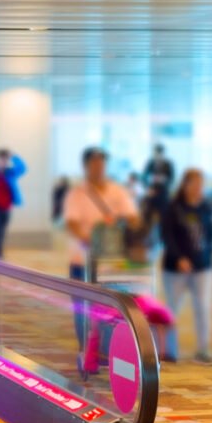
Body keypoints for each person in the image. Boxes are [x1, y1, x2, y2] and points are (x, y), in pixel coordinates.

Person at [63, 148, 139, 350]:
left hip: (112, 262)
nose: (98, 168)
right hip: (83, 261)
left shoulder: (118, 191)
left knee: (112, 308)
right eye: (94, 164)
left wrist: (122, 223)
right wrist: (90, 239)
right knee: (82, 308)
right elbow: (72, 223)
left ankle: (108, 350)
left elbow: (132, 218)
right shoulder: (77, 194)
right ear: (85, 166)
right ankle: (85, 349)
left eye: (101, 164)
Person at [162, 169, 212, 365]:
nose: (197, 188)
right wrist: (179, 257)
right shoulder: (173, 208)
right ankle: (169, 350)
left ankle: (203, 350)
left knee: (203, 307)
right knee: (173, 308)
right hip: (176, 268)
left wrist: (208, 257)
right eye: (194, 184)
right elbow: (167, 236)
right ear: (184, 185)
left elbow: (211, 234)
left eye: (200, 185)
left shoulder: (206, 207)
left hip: (202, 267)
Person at [143, 144, 175, 227]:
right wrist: (149, 183)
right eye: (156, 154)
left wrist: (163, 180)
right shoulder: (150, 163)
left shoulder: (168, 164)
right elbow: (144, 177)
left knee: (164, 215)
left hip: (163, 192)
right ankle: (146, 231)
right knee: (147, 214)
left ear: (163, 154)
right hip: (152, 191)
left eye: (159, 154)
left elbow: (172, 178)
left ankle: (164, 231)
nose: (157, 156)